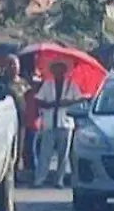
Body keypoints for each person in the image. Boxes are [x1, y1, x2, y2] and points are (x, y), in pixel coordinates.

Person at [33, 61, 84, 189]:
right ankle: (40, 179)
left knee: (63, 155)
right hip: (49, 123)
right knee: (45, 153)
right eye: (56, 70)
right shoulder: (48, 85)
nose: (58, 73)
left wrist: (67, 102)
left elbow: (78, 101)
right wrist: (53, 104)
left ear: (64, 72)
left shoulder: (71, 85)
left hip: (66, 124)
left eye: (61, 70)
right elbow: (39, 100)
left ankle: (59, 180)